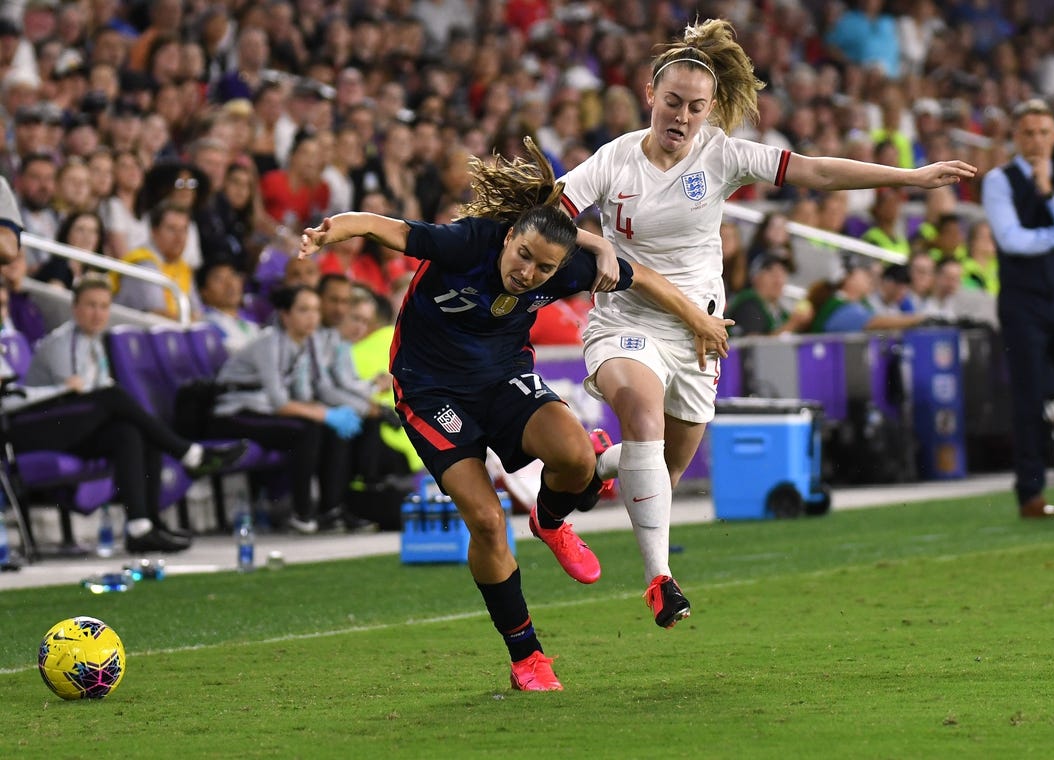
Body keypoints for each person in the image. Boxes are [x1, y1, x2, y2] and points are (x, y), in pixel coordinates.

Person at [557, 18, 975, 627]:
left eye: (696, 107)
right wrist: (593, 243)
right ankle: (660, 580)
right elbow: (551, 212)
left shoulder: (723, 154)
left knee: (664, 469)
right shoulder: (613, 161)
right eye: (672, 101)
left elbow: (817, 171)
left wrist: (908, 179)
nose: (681, 115)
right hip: (627, 318)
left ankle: (593, 467)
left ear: (710, 110)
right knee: (642, 414)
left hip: (700, 330)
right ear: (651, 95)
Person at [298, 137, 732, 691]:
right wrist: (341, 226)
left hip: (503, 376)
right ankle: (527, 655)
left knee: (577, 458)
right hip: (431, 391)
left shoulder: (568, 269)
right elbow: (394, 230)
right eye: (522, 255)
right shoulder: (466, 242)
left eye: (543, 267)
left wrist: (698, 318)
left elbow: (641, 277)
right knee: (484, 520)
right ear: (508, 238)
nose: (527, 272)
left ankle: (550, 521)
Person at [23, 277, 248, 551]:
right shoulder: (61, 342)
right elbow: (75, 398)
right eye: (91, 306)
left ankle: (143, 527)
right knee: (114, 397)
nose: (98, 313)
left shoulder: (94, 342)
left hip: (76, 424)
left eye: (104, 306)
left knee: (130, 432)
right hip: (41, 426)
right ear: (75, 308)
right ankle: (188, 453)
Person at [980, 99, 1054, 519]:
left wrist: (1048, 194)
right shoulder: (999, 180)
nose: (1036, 141)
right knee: (1028, 398)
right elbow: (1011, 239)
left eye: (1043, 132)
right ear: (1015, 137)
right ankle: (1030, 494)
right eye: (1028, 133)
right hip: (1022, 301)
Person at [208, 285, 365, 534]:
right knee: (308, 430)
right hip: (234, 412)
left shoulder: (305, 345)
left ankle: (331, 510)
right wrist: (326, 414)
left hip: (264, 411)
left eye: (315, 310)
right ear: (285, 315)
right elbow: (280, 402)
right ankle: (302, 514)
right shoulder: (268, 343)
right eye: (303, 310)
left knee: (328, 430)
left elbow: (303, 395)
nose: (312, 317)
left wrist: (331, 411)